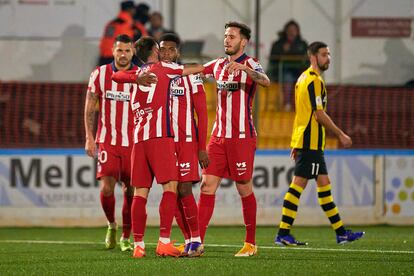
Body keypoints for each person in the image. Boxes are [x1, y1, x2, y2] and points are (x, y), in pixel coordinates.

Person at [111, 36, 205, 258]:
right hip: (161, 138)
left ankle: (139, 246)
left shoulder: (136, 76)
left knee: (139, 194)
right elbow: (195, 69)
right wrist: (213, 65)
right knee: (171, 188)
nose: (165, 53)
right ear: (156, 50)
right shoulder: (163, 70)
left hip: (139, 141)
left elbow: (116, 74)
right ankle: (164, 241)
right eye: (161, 49)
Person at [274, 41, 365, 246]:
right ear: (313, 57)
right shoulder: (314, 81)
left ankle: (341, 233)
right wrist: (341, 134)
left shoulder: (302, 78)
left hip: (307, 141)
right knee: (298, 186)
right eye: (324, 54)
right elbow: (318, 114)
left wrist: (296, 142)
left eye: (329, 54)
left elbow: (303, 114)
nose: (328, 58)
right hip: (310, 142)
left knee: (324, 187)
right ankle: (282, 233)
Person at [199, 21, 270, 257]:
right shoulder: (218, 64)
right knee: (207, 186)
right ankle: (196, 242)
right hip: (218, 137)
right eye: (226, 36)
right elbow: (198, 69)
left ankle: (250, 243)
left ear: (244, 42)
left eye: (232, 36)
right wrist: (169, 69)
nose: (227, 40)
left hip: (242, 138)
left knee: (243, 187)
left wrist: (245, 71)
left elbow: (265, 80)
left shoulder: (251, 63)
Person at [84, 34, 137, 252]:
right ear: (112, 51)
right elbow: (89, 107)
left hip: (134, 143)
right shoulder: (99, 74)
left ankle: (126, 236)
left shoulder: (140, 75)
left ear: (132, 51)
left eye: (127, 50)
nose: (123, 54)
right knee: (107, 187)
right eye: (119, 50)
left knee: (132, 191)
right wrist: (89, 137)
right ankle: (111, 225)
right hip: (108, 140)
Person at [158, 33, 209, 257]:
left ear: (178, 52)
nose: (167, 53)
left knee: (185, 189)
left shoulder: (191, 77)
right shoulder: (156, 75)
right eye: (163, 49)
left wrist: (201, 147)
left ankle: (197, 239)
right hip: (165, 142)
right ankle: (188, 240)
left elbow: (202, 115)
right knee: (173, 192)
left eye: (171, 49)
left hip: (186, 141)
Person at [267, 20, 308, 110]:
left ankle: (304, 105)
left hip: (299, 71)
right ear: (286, 31)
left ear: (297, 32)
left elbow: (307, 58)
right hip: (282, 71)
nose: (291, 32)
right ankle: (287, 104)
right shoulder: (278, 44)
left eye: (294, 30)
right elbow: (273, 57)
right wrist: (283, 50)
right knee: (288, 78)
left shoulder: (303, 44)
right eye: (289, 29)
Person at [98, 1, 136, 66]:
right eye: (133, 9)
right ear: (129, 10)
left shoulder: (111, 23)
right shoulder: (126, 24)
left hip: (103, 57)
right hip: (115, 58)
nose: (135, 11)